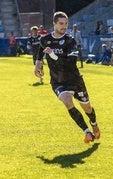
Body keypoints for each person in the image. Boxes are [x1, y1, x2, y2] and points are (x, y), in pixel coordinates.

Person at [34, 11, 100, 144]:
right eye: (61, 24)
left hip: (74, 80)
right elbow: (41, 51)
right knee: (67, 102)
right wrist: (38, 65)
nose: (64, 26)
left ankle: (94, 123)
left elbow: (70, 63)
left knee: (87, 107)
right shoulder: (45, 39)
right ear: (54, 23)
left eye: (66, 23)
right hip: (58, 81)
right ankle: (87, 132)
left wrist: (53, 55)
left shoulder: (70, 41)